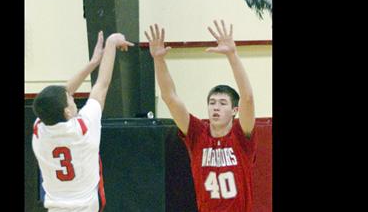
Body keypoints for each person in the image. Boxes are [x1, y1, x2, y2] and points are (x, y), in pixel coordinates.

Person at [144, 20, 256, 212]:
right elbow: (169, 97)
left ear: (234, 111)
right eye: (212, 103)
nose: (216, 108)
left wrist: (232, 55)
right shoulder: (197, 133)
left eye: (222, 103)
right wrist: (158, 60)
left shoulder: (241, 135)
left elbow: (247, 97)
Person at [32, 31, 134, 212]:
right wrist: (111, 44)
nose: (72, 97)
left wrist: (93, 62)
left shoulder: (39, 130)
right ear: (66, 111)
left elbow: (58, 97)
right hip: (86, 207)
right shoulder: (83, 128)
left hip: (55, 207)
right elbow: (102, 84)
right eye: (70, 99)